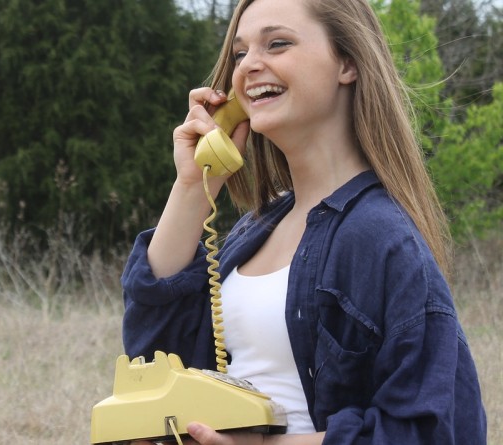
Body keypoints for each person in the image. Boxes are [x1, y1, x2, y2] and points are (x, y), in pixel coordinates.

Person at [121, 0, 486, 444]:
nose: (250, 65)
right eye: (240, 54)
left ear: (347, 63)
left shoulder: (383, 239)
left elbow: (429, 429)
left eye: (277, 44)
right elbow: (152, 357)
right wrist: (194, 184)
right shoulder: (252, 231)